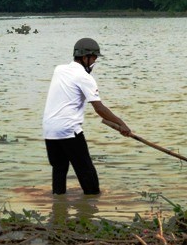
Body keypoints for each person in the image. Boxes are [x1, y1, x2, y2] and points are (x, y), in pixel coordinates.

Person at [43, 37, 131, 195]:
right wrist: (121, 124)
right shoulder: (85, 77)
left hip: (49, 129)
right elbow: (99, 108)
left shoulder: (59, 69)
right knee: (86, 171)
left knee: (59, 169)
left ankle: (58, 206)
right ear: (85, 57)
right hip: (69, 129)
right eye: (94, 59)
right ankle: (92, 203)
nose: (94, 63)